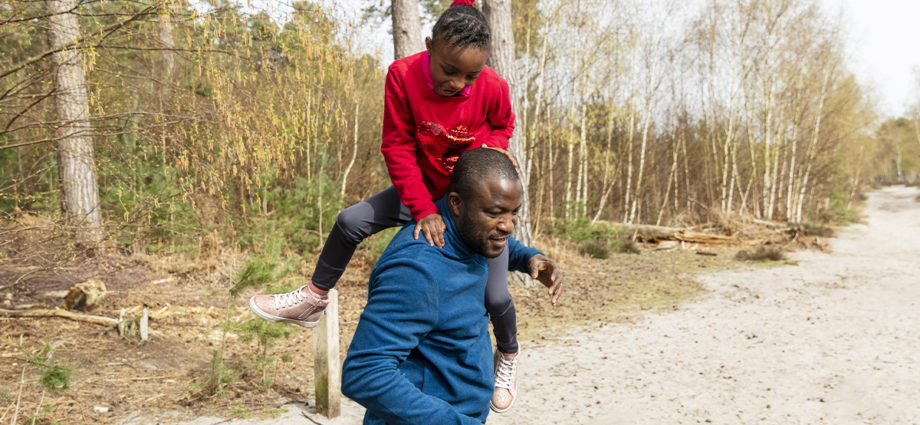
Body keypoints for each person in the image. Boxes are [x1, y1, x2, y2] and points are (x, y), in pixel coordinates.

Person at [249, 0, 529, 411]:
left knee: (497, 297)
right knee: (350, 221)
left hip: (468, 199)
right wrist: (423, 209)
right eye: (450, 71)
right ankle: (314, 297)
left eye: (469, 75)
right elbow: (397, 146)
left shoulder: (492, 86)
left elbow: (505, 123)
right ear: (429, 45)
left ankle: (507, 354)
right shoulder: (402, 76)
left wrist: (493, 148)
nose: (458, 84)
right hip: (422, 187)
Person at [341, 148, 562, 425]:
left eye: (513, 212)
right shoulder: (417, 270)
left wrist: (529, 256)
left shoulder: (471, 232)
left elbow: (493, 240)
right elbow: (364, 374)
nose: (507, 225)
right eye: (495, 212)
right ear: (457, 203)